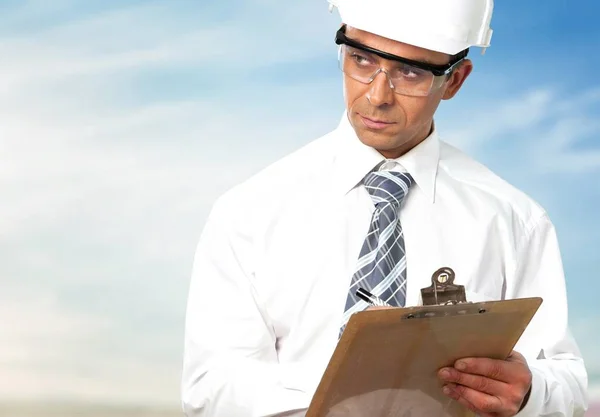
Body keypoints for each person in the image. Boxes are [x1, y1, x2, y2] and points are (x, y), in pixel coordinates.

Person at [181, 0, 589, 416]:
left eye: (410, 72)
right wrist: (349, 395)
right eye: (361, 60)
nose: (376, 96)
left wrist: (529, 393)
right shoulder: (250, 212)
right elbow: (211, 385)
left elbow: (566, 380)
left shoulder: (513, 220)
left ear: (454, 81)